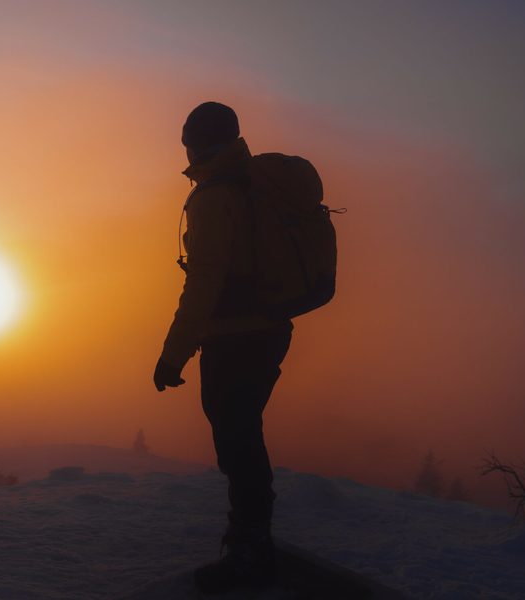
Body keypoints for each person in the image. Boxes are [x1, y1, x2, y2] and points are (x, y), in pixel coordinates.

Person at [154, 101, 294, 593]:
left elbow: (204, 284)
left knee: (237, 442)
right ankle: (252, 542)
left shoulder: (215, 197)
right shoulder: (249, 186)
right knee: (243, 436)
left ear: (196, 142)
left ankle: (250, 551)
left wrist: (175, 353)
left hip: (235, 335)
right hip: (270, 329)